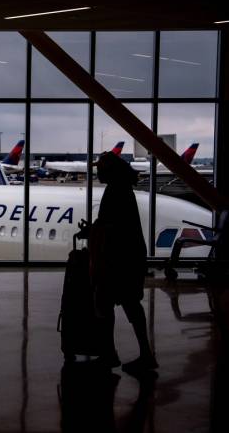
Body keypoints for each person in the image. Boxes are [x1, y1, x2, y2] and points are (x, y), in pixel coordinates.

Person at [91, 151, 158, 374]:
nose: (97, 172)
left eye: (99, 168)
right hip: (129, 257)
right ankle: (143, 354)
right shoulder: (122, 188)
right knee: (129, 304)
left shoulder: (115, 190)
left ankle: (110, 354)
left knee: (105, 303)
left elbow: (112, 226)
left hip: (119, 259)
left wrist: (96, 231)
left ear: (108, 170)